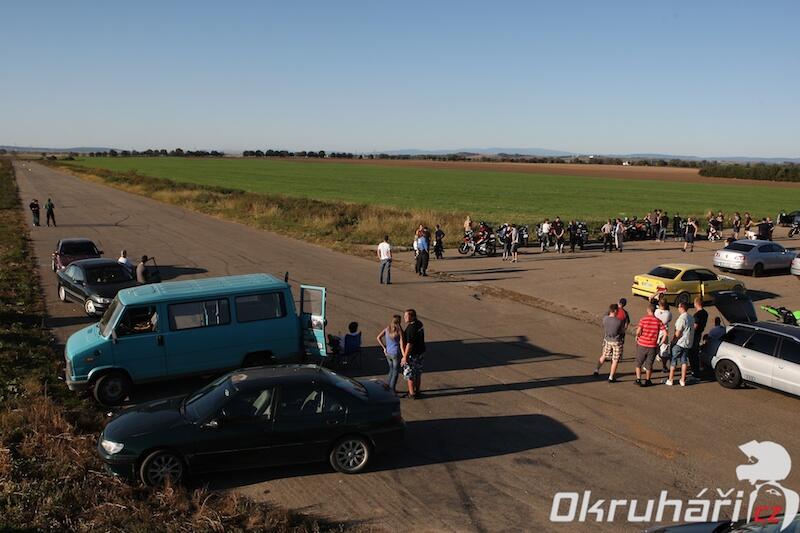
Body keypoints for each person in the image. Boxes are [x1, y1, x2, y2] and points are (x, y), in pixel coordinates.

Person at [633, 304, 667, 387]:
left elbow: (638, 331)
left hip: (642, 344)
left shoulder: (643, 319)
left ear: (648, 310)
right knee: (649, 364)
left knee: (638, 363)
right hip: (652, 346)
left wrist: (637, 336)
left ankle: (638, 379)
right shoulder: (658, 321)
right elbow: (665, 333)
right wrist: (660, 343)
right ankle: (648, 380)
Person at [666, 302, 694, 386]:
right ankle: (682, 380)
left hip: (679, 342)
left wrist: (673, 341)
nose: (678, 308)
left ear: (682, 307)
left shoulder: (682, 318)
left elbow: (678, 333)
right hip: (687, 343)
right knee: (684, 360)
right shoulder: (690, 317)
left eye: (678, 307)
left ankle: (670, 379)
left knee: (673, 360)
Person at [594, 304, 623, 382]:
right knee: (615, 359)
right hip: (616, 341)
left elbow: (606, 313)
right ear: (616, 311)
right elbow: (621, 331)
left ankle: (596, 369)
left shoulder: (605, 319)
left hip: (607, 339)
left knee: (604, 355)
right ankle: (611, 376)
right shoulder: (619, 321)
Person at [401, 309, 425, 399]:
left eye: (406, 316)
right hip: (420, 352)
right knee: (418, 373)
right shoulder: (419, 324)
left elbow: (409, 344)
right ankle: (417, 391)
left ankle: (412, 394)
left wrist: (405, 357)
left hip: (413, 354)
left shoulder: (411, 328)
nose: (404, 318)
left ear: (412, 316)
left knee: (409, 374)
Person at [376, 316, 403, 394]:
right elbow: (401, 344)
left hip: (388, 353)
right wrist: (404, 355)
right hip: (395, 353)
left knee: (391, 370)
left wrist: (384, 348)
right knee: (395, 372)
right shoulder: (399, 331)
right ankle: (392, 389)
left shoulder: (387, 329)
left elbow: (378, 337)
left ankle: (388, 386)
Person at [691, 297, 708, 374]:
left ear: (696, 304)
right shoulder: (705, 313)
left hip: (695, 335)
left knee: (693, 352)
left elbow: (695, 326)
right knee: (696, 350)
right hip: (700, 333)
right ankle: (697, 368)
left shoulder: (697, 315)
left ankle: (695, 370)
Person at [654, 298, 672, 373]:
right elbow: (669, 320)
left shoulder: (656, 312)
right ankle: (664, 366)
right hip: (665, 331)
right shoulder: (668, 313)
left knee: (653, 348)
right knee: (664, 349)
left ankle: (648, 365)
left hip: (656, 331)